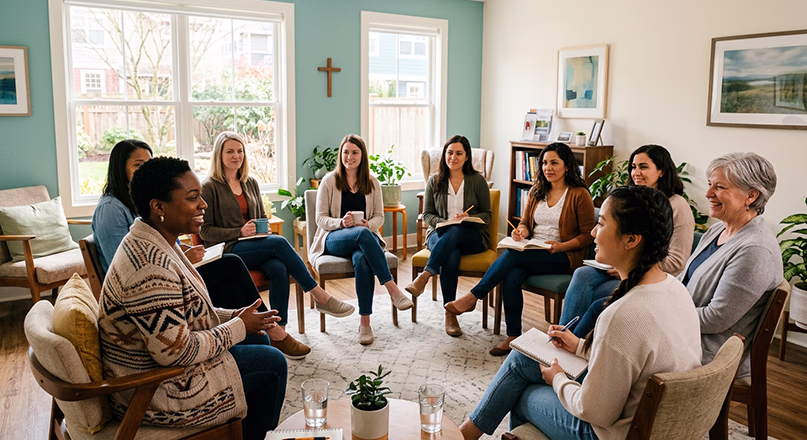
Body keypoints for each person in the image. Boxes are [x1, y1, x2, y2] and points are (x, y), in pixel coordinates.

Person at [458, 185, 702, 440]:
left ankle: (466, 435)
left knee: (519, 393)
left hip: (614, 432)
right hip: (654, 417)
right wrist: (580, 346)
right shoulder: (676, 288)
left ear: (631, 239)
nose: (593, 233)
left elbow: (596, 413)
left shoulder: (621, 314)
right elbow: (635, 359)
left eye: (602, 224)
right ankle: (466, 434)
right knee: (523, 358)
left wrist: (558, 380)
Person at [98, 157, 287, 440]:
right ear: (158, 206)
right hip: (157, 392)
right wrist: (238, 326)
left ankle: (246, 430)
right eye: (192, 198)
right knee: (272, 362)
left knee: (259, 339)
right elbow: (176, 352)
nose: (203, 205)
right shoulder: (149, 269)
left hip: (162, 367)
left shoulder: (157, 241)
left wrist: (236, 317)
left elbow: (184, 313)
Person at [90, 140, 300, 359]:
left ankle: (264, 337)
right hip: (151, 302)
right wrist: (184, 257)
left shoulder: (142, 212)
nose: (202, 204)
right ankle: (284, 321)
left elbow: (166, 247)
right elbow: (126, 263)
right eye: (139, 165)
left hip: (177, 276)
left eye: (149, 163)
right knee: (238, 262)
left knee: (239, 287)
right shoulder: (113, 211)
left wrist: (185, 253)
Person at [201, 132, 355, 357]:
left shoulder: (250, 182)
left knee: (279, 267)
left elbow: (261, 215)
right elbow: (206, 232)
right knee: (280, 244)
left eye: (240, 151)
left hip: (256, 245)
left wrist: (265, 230)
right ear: (219, 155)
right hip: (230, 250)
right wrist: (239, 231)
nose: (236, 156)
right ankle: (319, 295)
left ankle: (279, 332)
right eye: (230, 151)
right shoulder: (209, 186)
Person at [445, 143, 595, 355]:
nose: (547, 168)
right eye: (544, 163)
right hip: (534, 251)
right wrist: (521, 233)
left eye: (554, 163)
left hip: (563, 255)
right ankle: (514, 335)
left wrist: (561, 246)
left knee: (513, 255)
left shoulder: (579, 194)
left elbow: (588, 235)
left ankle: (474, 296)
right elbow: (524, 222)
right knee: (512, 274)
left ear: (567, 166)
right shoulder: (537, 191)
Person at [559, 144, 695, 337]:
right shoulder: (629, 201)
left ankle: (571, 343)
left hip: (645, 273)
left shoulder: (677, 206)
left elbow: (677, 262)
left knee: (597, 299)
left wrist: (629, 265)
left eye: (643, 167)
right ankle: (564, 334)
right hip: (621, 266)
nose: (635, 172)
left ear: (662, 171)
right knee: (582, 274)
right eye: (633, 167)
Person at [680, 152, 782, 377]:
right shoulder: (718, 229)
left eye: (720, 187)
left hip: (709, 352)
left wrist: (662, 313)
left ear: (751, 196)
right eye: (709, 184)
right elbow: (682, 281)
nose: (708, 193)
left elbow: (715, 319)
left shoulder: (755, 250)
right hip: (685, 333)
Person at [309, 134, 414, 345]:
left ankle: (364, 323)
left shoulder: (372, 182)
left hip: (362, 240)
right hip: (334, 239)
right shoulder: (329, 181)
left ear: (362, 155)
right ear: (341, 154)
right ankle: (392, 289)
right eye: (346, 152)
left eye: (355, 152)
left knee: (363, 260)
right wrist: (341, 222)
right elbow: (320, 219)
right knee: (364, 235)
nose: (350, 156)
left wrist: (369, 225)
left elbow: (379, 216)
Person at [405, 135, 492, 336]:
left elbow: (487, 214)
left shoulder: (478, 181)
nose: (453, 157)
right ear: (444, 155)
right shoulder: (434, 181)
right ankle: (450, 313)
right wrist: (442, 222)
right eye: (450, 152)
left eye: (459, 153)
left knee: (457, 229)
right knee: (451, 253)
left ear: (467, 157)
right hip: (439, 233)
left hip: (473, 236)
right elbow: (427, 214)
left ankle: (425, 275)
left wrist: (468, 216)